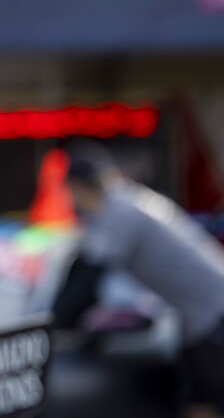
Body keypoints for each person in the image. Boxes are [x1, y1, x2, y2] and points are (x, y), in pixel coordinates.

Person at [52, 143, 224, 418]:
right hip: (200, 313)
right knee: (197, 399)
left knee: (210, 399)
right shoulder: (127, 201)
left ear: (77, 187)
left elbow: (89, 278)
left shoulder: (119, 213)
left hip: (212, 313)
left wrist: (56, 325)